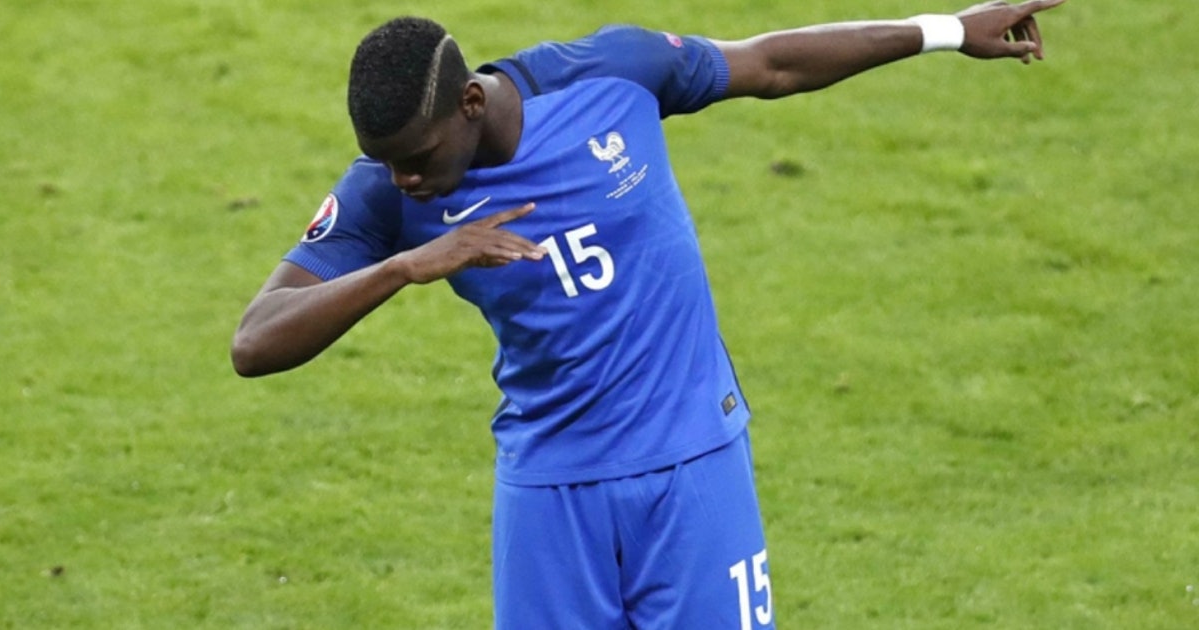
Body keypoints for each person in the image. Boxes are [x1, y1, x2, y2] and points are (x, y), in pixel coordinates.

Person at [231, 1, 1066, 627]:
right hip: (550, 488)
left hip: (691, 463)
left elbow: (772, 63)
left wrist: (947, 30)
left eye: (415, 159)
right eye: (385, 165)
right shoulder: (388, 194)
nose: (403, 180)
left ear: (471, 105)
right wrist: (406, 265)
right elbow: (255, 341)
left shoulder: (608, 74)